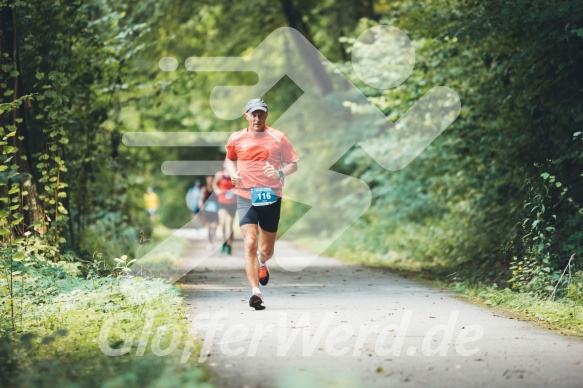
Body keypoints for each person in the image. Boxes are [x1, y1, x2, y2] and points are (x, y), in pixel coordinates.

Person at [224, 98, 298, 310]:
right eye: (253, 114)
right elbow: (229, 158)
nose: (257, 118)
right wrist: (232, 174)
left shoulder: (278, 138)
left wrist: (279, 172)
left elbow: (293, 164)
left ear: (266, 115)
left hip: (271, 196)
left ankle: (262, 262)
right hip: (245, 195)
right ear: (246, 115)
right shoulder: (236, 138)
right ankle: (256, 293)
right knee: (249, 242)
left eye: (261, 114)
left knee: (266, 249)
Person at [213, 168, 237, 255]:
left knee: (230, 224)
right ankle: (224, 241)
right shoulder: (219, 174)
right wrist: (217, 190)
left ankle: (230, 244)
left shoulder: (235, 173)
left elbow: (240, 185)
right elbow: (214, 184)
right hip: (222, 202)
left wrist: (235, 190)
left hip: (232, 202)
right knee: (222, 222)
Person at [199, 175, 218, 250]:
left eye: (211, 180)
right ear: (207, 181)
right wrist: (201, 204)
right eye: (209, 180)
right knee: (208, 227)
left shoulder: (215, 188)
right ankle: (210, 243)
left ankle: (213, 234)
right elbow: (201, 198)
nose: (210, 182)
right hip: (207, 210)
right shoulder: (204, 189)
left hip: (215, 210)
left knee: (214, 226)